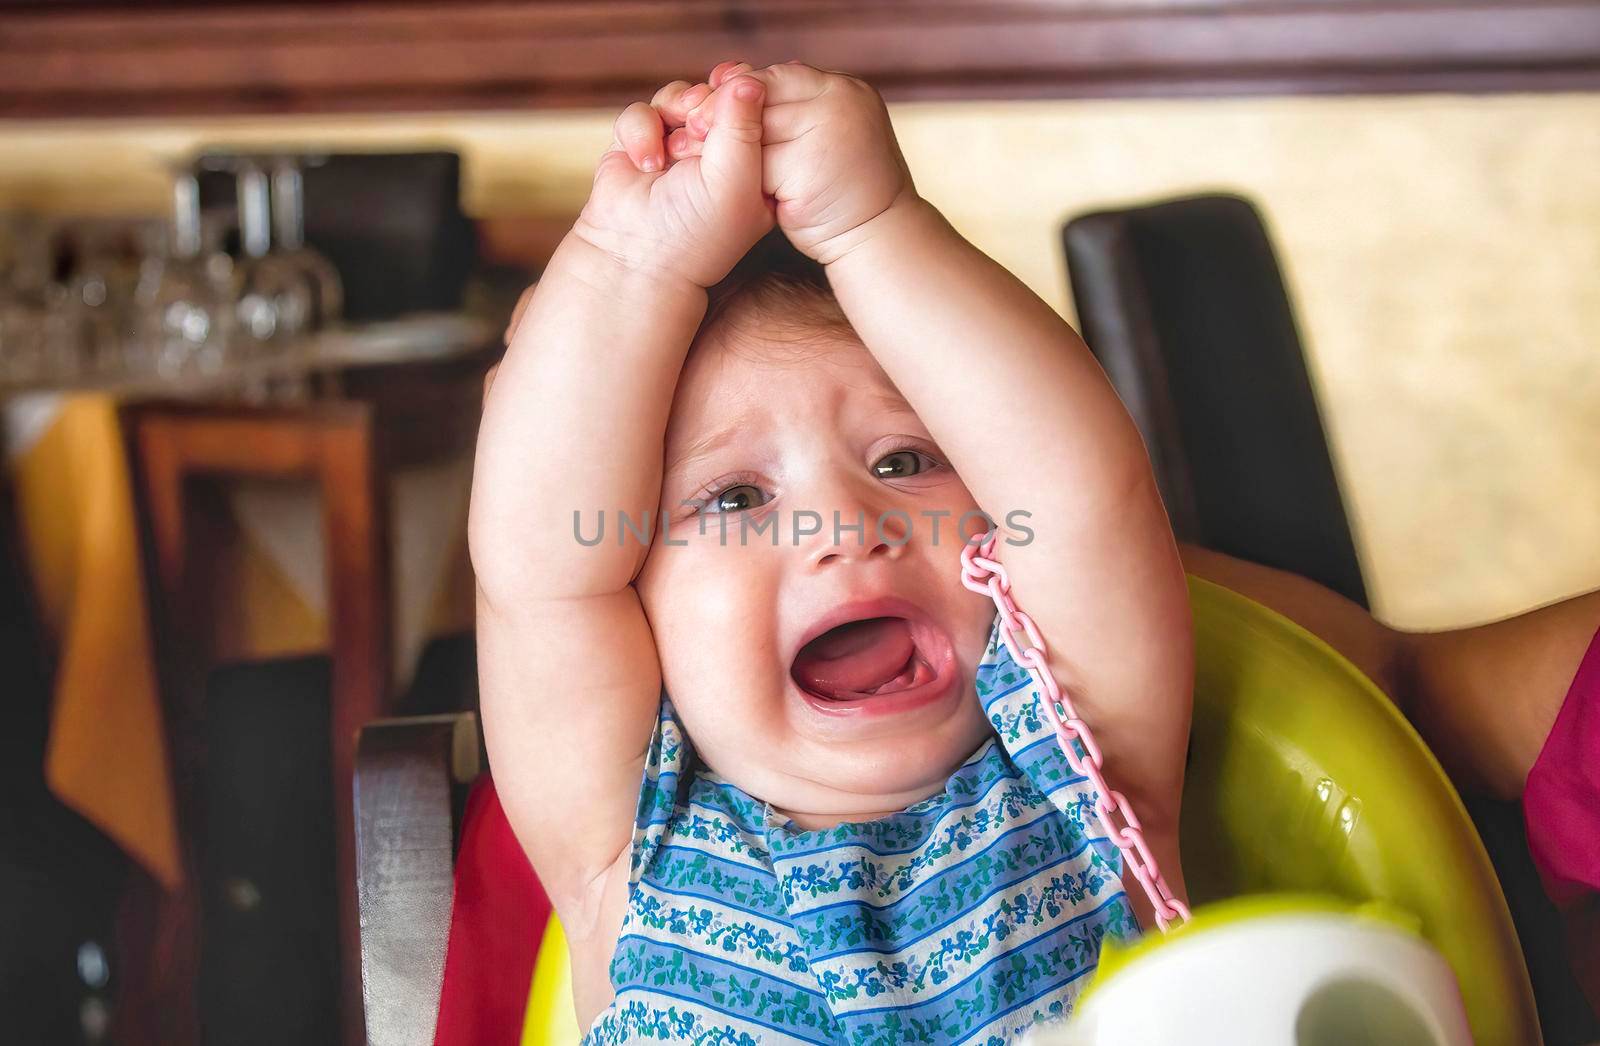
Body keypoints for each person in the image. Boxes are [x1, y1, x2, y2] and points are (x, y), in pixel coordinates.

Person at [470, 59, 1194, 1043]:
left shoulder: (1085, 769)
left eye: (905, 460)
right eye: (735, 497)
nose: (846, 527)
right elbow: (534, 565)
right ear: (637, 612)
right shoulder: (622, 846)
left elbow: (1077, 490)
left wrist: (873, 225)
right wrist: (626, 259)